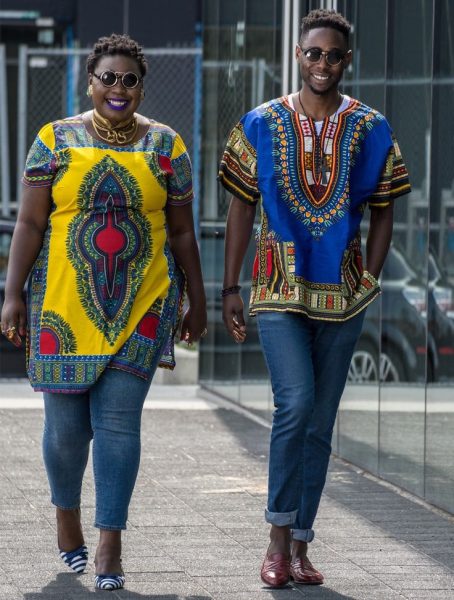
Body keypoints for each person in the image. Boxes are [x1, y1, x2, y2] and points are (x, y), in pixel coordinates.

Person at [1, 33, 206, 591]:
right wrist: (13, 292)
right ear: (89, 81)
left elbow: (184, 231)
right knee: (66, 433)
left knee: (118, 423)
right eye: (107, 78)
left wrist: (199, 296)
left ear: (142, 85)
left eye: (129, 79)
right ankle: (66, 518)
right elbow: (29, 223)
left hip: (142, 301)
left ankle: (110, 545)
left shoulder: (167, 146)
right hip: (63, 305)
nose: (118, 88)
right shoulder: (55, 139)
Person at [219, 9, 410, 588]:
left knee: (321, 422)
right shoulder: (260, 122)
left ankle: (301, 545)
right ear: (297, 55)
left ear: (346, 60)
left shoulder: (372, 127)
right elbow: (241, 207)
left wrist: (370, 277)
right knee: (295, 405)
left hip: (344, 296)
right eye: (313, 53)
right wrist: (231, 286)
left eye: (333, 55)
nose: (322, 63)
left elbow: (385, 208)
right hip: (278, 287)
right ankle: (276, 540)